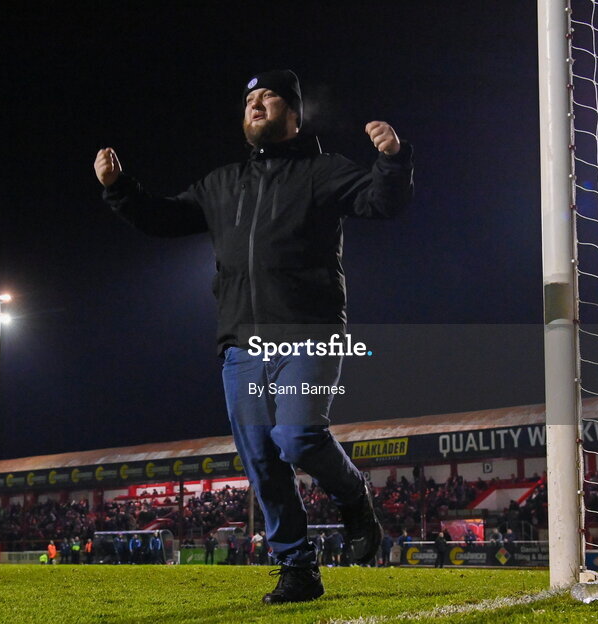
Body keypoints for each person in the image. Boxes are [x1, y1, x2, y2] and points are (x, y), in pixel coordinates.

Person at [94, 69, 413, 605]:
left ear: (295, 115)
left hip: (307, 332)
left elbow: (382, 203)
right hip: (240, 345)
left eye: (269, 97)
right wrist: (118, 190)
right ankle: (298, 570)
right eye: (249, 100)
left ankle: (354, 498)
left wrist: (393, 160)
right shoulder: (222, 184)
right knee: (262, 459)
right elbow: (163, 218)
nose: (256, 105)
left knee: (298, 437)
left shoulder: (323, 171)